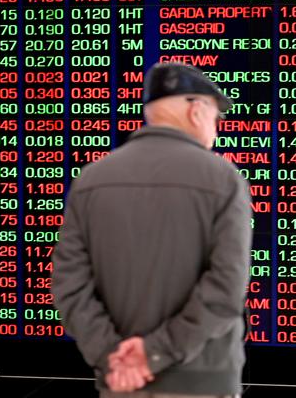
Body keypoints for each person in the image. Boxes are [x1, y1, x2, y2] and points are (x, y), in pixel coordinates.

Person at [51, 61, 253, 398]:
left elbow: (69, 284)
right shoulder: (223, 179)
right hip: (203, 384)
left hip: (121, 382)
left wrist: (112, 357)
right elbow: (226, 287)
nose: (216, 129)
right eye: (217, 118)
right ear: (196, 110)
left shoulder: (91, 179)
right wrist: (153, 354)